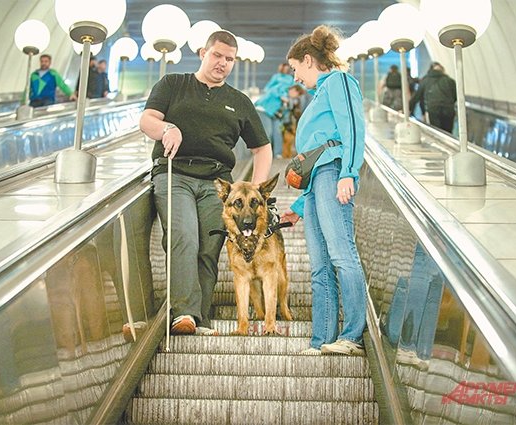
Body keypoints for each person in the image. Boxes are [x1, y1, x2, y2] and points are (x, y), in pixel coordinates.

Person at [139, 30, 272, 336]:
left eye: (229, 59)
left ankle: (200, 317)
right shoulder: (174, 84)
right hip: (175, 174)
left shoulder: (238, 102)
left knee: (209, 247)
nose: (222, 63)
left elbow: (262, 149)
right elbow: (147, 119)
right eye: (217, 55)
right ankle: (185, 313)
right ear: (202, 53)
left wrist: (257, 191)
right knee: (184, 235)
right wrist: (166, 128)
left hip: (218, 183)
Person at [280, 25, 368, 356]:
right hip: (318, 180)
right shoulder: (320, 94)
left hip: (334, 172)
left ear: (308, 60)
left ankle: (352, 335)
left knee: (342, 254)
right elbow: (315, 158)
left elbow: (353, 128)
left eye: (295, 69)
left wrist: (349, 173)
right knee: (319, 264)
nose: (295, 78)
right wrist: (300, 208)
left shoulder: (340, 82)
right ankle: (322, 341)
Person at [254, 63, 294, 158]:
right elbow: (268, 88)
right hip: (266, 109)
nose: (285, 70)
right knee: (268, 132)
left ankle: (277, 153)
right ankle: (265, 154)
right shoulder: (276, 78)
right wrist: (281, 95)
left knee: (277, 132)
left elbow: (297, 89)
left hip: (277, 111)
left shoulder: (291, 80)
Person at [409, 62, 457, 133]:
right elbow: (455, 96)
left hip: (433, 109)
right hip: (448, 109)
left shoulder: (425, 80)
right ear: (442, 70)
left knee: (437, 131)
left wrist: (409, 109)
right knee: (448, 132)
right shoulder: (450, 81)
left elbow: (417, 96)